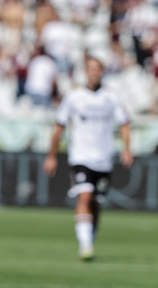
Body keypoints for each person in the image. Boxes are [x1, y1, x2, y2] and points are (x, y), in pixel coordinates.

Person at [43, 57, 133, 260]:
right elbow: (59, 127)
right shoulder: (73, 96)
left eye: (97, 69)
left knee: (96, 203)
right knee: (84, 196)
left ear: (102, 71)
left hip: (104, 158)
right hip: (80, 157)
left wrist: (127, 149)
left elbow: (124, 123)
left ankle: (90, 237)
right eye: (90, 69)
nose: (94, 72)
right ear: (86, 71)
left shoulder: (111, 96)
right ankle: (85, 245)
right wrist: (51, 156)